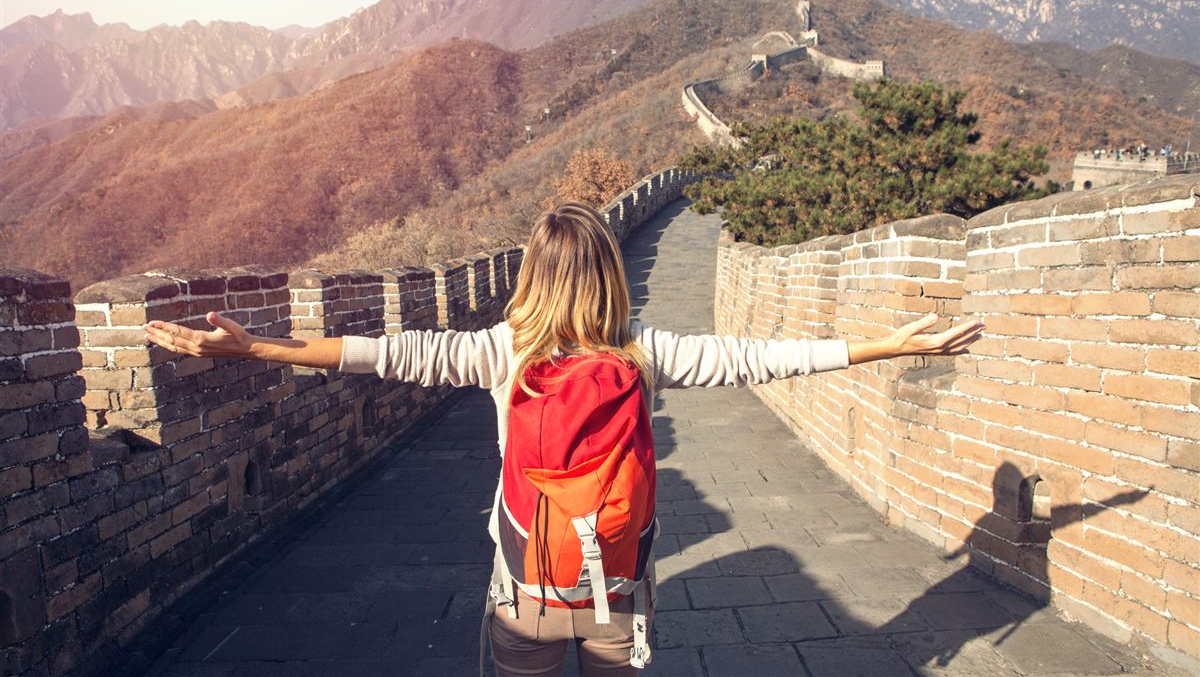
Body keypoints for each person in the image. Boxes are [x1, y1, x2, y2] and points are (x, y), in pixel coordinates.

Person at [144, 201, 983, 677]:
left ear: (534, 278)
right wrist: (882, 346)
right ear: (611, 275)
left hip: (526, 593)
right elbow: (758, 358)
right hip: (617, 592)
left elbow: (384, 353)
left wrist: (256, 348)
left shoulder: (501, 353)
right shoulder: (643, 353)